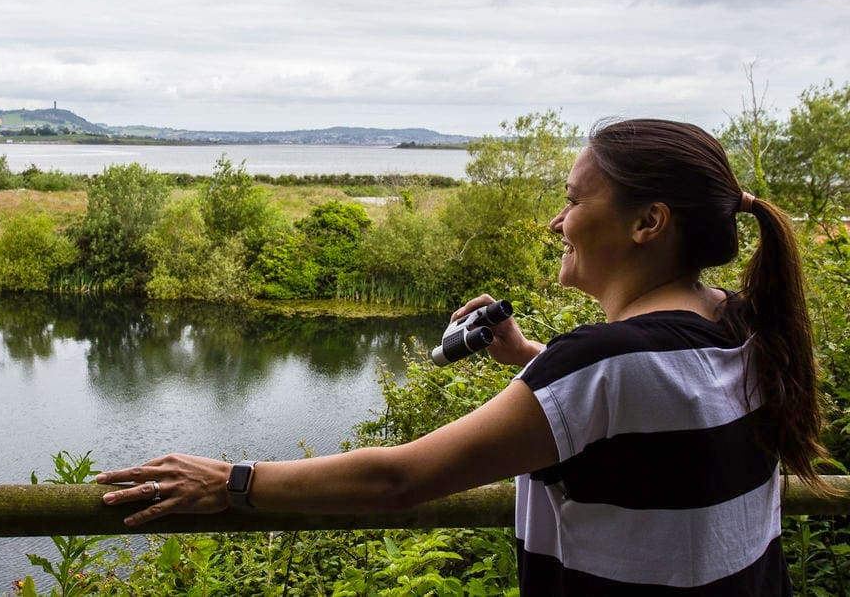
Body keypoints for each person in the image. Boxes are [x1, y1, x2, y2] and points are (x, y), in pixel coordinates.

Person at [97, 118, 826, 595]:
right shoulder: (740, 324)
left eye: (573, 200)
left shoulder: (599, 362)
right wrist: (525, 356)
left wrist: (232, 479)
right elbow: (657, 407)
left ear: (648, 222)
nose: (556, 220)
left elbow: (400, 478)